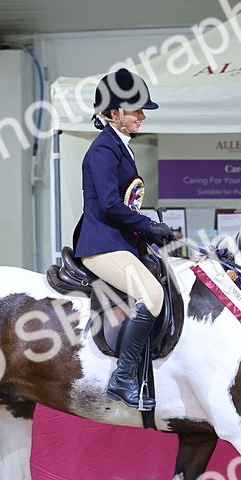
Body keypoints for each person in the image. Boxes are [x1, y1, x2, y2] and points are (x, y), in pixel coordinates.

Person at [74, 68, 176, 411]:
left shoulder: (119, 146)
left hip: (120, 241)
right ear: (114, 112)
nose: (143, 116)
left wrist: (150, 232)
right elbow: (109, 204)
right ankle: (122, 379)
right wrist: (147, 225)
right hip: (101, 243)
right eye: (136, 110)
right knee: (152, 294)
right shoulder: (103, 150)